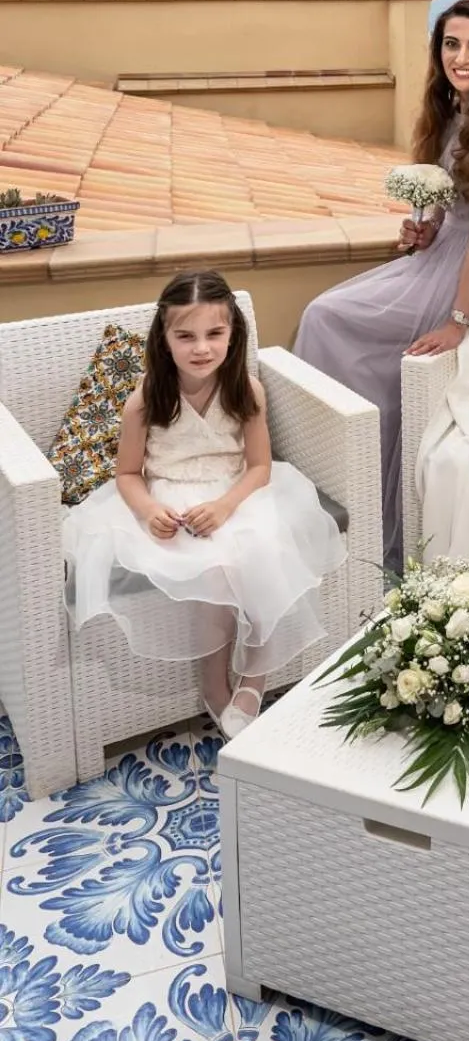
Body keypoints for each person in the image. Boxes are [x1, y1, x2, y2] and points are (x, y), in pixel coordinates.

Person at [294, 0, 469, 563]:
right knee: (329, 317)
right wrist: (423, 232)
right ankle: (347, 486)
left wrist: (458, 323)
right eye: (452, 44)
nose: (462, 56)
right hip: (443, 255)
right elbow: (451, 216)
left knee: (329, 318)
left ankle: (353, 496)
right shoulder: (449, 112)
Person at [63, 270, 344, 739]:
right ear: (165, 338)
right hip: (169, 497)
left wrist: (227, 506)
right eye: (186, 336)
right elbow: (128, 474)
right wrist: (150, 511)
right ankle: (214, 683)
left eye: (215, 334)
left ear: (233, 335)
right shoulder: (145, 400)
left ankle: (255, 676)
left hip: (236, 494)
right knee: (214, 566)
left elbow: (259, 467)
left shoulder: (246, 391)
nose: (201, 348)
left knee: (259, 551)